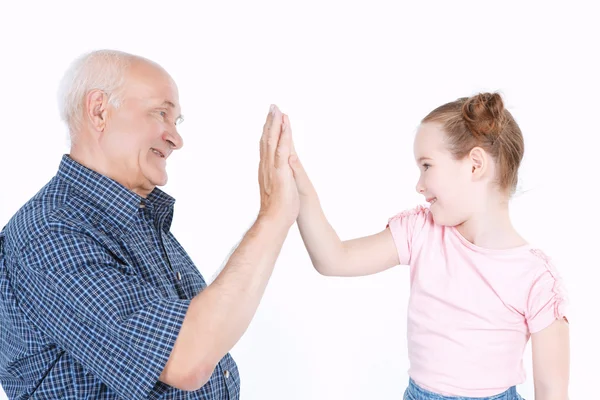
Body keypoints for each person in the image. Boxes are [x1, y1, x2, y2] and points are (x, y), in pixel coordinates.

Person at [0, 49, 299, 399]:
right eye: (161, 114)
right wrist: (274, 215)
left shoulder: (135, 223)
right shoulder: (50, 233)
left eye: (177, 122)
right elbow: (188, 358)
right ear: (99, 111)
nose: (176, 138)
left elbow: (204, 338)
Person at [289, 93, 570, 399]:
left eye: (427, 166)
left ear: (475, 165)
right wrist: (298, 184)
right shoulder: (421, 232)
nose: (419, 185)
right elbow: (333, 259)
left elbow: (551, 392)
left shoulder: (537, 280)